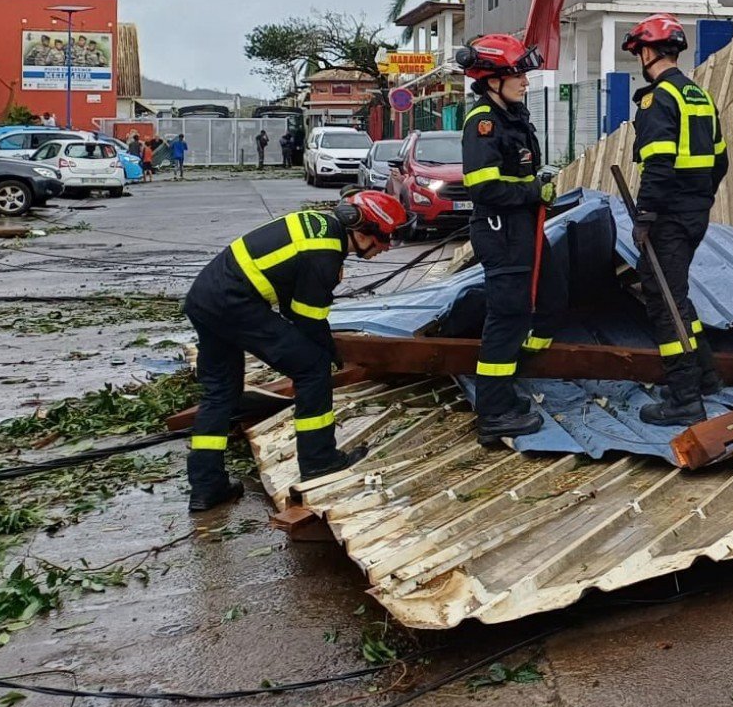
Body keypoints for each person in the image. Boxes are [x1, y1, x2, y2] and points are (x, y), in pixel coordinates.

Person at [181, 189, 408, 512]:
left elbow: (292, 305)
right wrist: (330, 353)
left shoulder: (319, 229)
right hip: (235, 304)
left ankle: (206, 487)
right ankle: (320, 461)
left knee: (220, 393)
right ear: (365, 230)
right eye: (386, 239)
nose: (386, 248)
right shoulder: (326, 252)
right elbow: (307, 318)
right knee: (312, 369)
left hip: (206, 299)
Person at [623, 14, 728, 426]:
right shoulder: (698, 96)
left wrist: (646, 215)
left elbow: (659, 163)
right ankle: (705, 377)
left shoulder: (657, 99)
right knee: (677, 294)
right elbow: (721, 160)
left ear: (647, 52)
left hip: (667, 217)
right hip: (694, 212)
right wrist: (699, 198)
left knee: (664, 300)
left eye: (639, 53)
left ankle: (684, 398)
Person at [456, 33, 552, 443]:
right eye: (517, 75)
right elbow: (484, 188)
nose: (525, 82)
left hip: (521, 228)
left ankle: (505, 394)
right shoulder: (484, 124)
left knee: (527, 310)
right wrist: (534, 192)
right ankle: (493, 414)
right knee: (506, 317)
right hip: (502, 231)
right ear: (492, 79)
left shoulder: (512, 116)